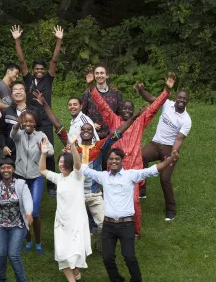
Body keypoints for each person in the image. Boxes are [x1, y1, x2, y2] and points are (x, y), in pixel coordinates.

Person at [34, 91, 143, 236]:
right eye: (83, 130)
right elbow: (57, 124)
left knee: (105, 225)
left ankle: (104, 245)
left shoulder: (99, 146)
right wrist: (45, 104)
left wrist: (134, 118)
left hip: (94, 193)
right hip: (76, 192)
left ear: (93, 133)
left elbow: (117, 132)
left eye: (89, 130)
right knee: (73, 225)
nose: (86, 131)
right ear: (79, 132)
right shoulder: (73, 146)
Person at [86, 71, 175, 238]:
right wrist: (92, 86)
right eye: (124, 108)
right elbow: (101, 104)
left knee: (134, 201)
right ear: (120, 110)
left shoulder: (140, 121)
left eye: (130, 109)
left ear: (134, 111)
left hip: (132, 170)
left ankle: (135, 232)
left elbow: (155, 107)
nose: (127, 110)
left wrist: (167, 91)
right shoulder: (114, 120)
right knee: (111, 201)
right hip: (114, 169)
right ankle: (110, 229)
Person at [83, 149, 179, 282]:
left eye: (117, 158)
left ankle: (136, 280)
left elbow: (152, 170)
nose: (113, 161)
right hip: (108, 225)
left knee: (129, 256)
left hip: (126, 225)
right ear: (108, 162)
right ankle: (116, 280)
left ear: (122, 161)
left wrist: (170, 160)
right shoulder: (103, 176)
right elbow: (84, 169)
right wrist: (72, 153)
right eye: (111, 159)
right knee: (107, 258)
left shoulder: (131, 175)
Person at [12, 24, 64, 195]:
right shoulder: (28, 81)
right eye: (37, 69)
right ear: (33, 71)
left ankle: (51, 184)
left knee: (48, 151)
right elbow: (21, 61)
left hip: (46, 121)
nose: (40, 71)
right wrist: (17, 40)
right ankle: (28, 177)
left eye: (42, 69)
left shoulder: (48, 80)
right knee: (27, 148)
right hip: (30, 121)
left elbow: (54, 61)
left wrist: (59, 41)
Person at [39, 137, 90, 282]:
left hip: (76, 222)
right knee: (62, 254)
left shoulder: (77, 176)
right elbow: (42, 170)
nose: (62, 165)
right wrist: (43, 153)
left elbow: (78, 164)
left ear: (70, 164)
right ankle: (71, 279)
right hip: (61, 223)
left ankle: (76, 269)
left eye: (64, 162)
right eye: (60, 162)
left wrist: (73, 147)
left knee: (74, 253)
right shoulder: (58, 178)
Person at [138, 84, 191, 221]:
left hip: (170, 148)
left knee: (165, 179)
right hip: (156, 143)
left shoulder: (186, 120)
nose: (181, 100)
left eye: (184, 98)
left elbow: (179, 140)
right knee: (141, 157)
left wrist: (174, 154)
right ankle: (142, 190)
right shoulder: (167, 104)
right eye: (179, 97)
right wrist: (141, 89)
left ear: (187, 101)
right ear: (176, 97)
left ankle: (171, 210)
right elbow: (150, 98)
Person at [9, 110, 53, 254]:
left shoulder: (41, 135)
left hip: (36, 177)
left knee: (34, 211)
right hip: (20, 176)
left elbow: (51, 151)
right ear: (22, 122)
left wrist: (44, 150)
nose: (28, 123)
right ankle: (28, 241)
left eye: (31, 121)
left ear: (35, 123)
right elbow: (12, 135)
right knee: (23, 210)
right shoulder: (19, 134)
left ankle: (38, 242)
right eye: (25, 121)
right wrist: (17, 125)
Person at [0, 158, 33, 282]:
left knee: (13, 255)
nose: (6, 170)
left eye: (8, 167)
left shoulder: (21, 184)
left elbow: (27, 198)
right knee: (0, 254)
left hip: (17, 225)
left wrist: (28, 213)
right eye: (3, 167)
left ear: (13, 169)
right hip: (0, 224)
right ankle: (1, 280)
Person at [81, 65, 124, 168]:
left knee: (108, 163)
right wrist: (90, 124)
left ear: (107, 75)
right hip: (92, 135)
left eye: (102, 73)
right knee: (92, 165)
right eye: (97, 73)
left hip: (110, 135)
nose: (99, 75)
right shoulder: (87, 94)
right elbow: (81, 114)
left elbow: (120, 115)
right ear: (94, 76)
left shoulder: (116, 94)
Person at [0, 81, 39, 161]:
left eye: (21, 89)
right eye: (15, 90)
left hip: (32, 154)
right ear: (11, 94)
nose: (18, 92)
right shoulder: (5, 112)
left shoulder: (34, 112)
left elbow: (40, 130)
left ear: (25, 93)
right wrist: (3, 146)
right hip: (11, 154)